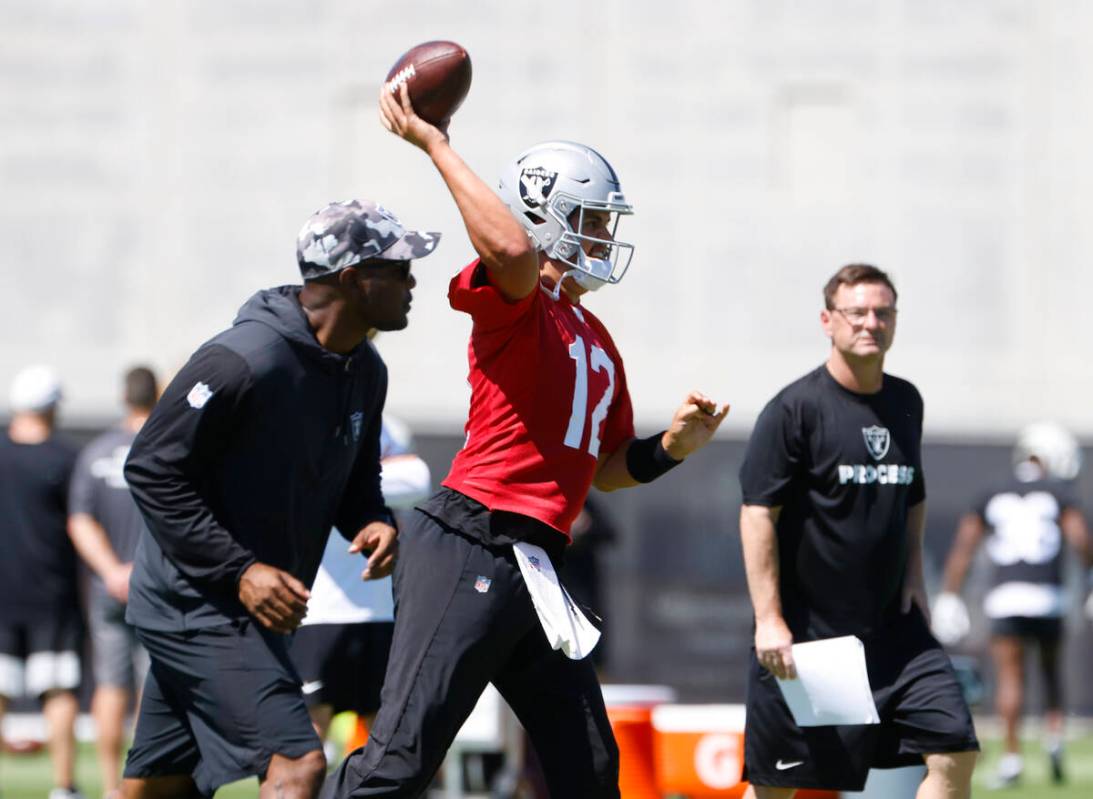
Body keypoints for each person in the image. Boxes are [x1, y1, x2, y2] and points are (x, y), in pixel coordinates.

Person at [322, 82, 729, 799]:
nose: (603, 236)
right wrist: (435, 140)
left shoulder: (595, 336)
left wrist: (671, 446)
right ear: (546, 217)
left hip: (536, 563)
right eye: (590, 219)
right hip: (470, 541)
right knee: (398, 764)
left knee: (590, 771)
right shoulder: (518, 299)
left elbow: (604, 469)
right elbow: (509, 245)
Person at [118, 200, 440, 799]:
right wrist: (239, 570)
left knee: (161, 786)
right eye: (398, 268)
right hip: (197, 605)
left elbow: (355, 474)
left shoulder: (364, 368)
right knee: (298, 766)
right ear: (351, 279)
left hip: (256, 608)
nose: (412, 281)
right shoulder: (243, 359)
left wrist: (371, 519)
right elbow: (152, 470)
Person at [737, 264, 979, 799]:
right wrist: (770, 620)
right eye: (857, 312)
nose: (871, 323)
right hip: (808, 636)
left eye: (883, 312)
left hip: (896, 633)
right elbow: (757, 514)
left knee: (955, 749)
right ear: (828, 321)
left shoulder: (906, 401)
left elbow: (912, 494)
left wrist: (915, 576)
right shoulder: (793, 409)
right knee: (778, 785)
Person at [932, 421, 1091, 787]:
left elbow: (964, 547)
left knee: (1010, 676)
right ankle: (1053, 737)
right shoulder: (1059, 493)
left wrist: (949, 595)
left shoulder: (993, 491)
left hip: (1006, 598)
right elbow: (1080, 538)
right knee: (1051, 673)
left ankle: (1012, 756)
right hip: (1047, 595)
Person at [290, 414, 431, 757]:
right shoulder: (305, 415)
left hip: (381, 610)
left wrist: (341, 478)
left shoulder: (391, 427)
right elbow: (300, 482)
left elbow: (418, 480)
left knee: (390, 743)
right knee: (305, 746)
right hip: (318, 608)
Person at [67, 366, 159, 799]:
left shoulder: (98, 452)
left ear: (123, 397)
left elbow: (81, 520)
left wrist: (109, 571)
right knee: (149, 688)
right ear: (156, 395)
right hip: (153, 586)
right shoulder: (162, 446)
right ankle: (133, 786)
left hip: (109, 587)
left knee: (109, 685)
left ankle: (109, 786)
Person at [0, 365, 85, 799]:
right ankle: (64, 786)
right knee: (59, 688)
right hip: (54, 594)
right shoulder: (67, 459)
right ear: (51, 407)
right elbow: (81, 524)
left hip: (4, 594)